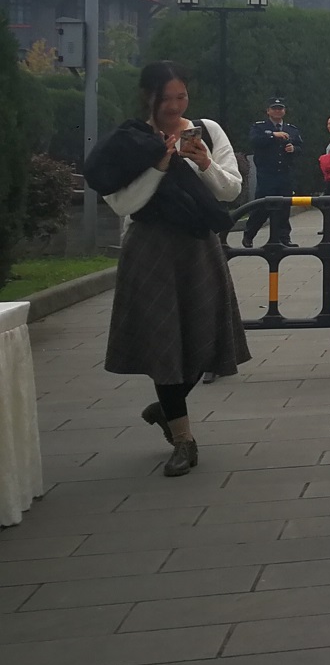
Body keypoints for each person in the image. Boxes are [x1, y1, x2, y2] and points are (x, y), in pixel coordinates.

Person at [82, 61, 252, 478]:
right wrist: (159, 164)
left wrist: (204, 162)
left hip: (198, 246)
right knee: (163, 343)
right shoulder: (133, 141)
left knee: (204, 335)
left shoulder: (207, 131)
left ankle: (166, 408)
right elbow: (124, 204)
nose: (175, 106)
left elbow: (231, 190)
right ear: (149, 97)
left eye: (182, 97)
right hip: (151, 248)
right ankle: (182, 438)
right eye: (167, 98)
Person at [241, 97, 299, 247]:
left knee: (284, 208)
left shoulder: (291, 129)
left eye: (280, 108)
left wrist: (293, 149)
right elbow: (255, 141)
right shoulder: (259, 127)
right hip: (267, 174)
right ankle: (249, 235)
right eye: (274, 108)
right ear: (268, 111)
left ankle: (284, 238)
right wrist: (273, 135)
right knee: (262, 207)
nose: (277, 111)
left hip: (284, 173)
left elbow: (301, 147)